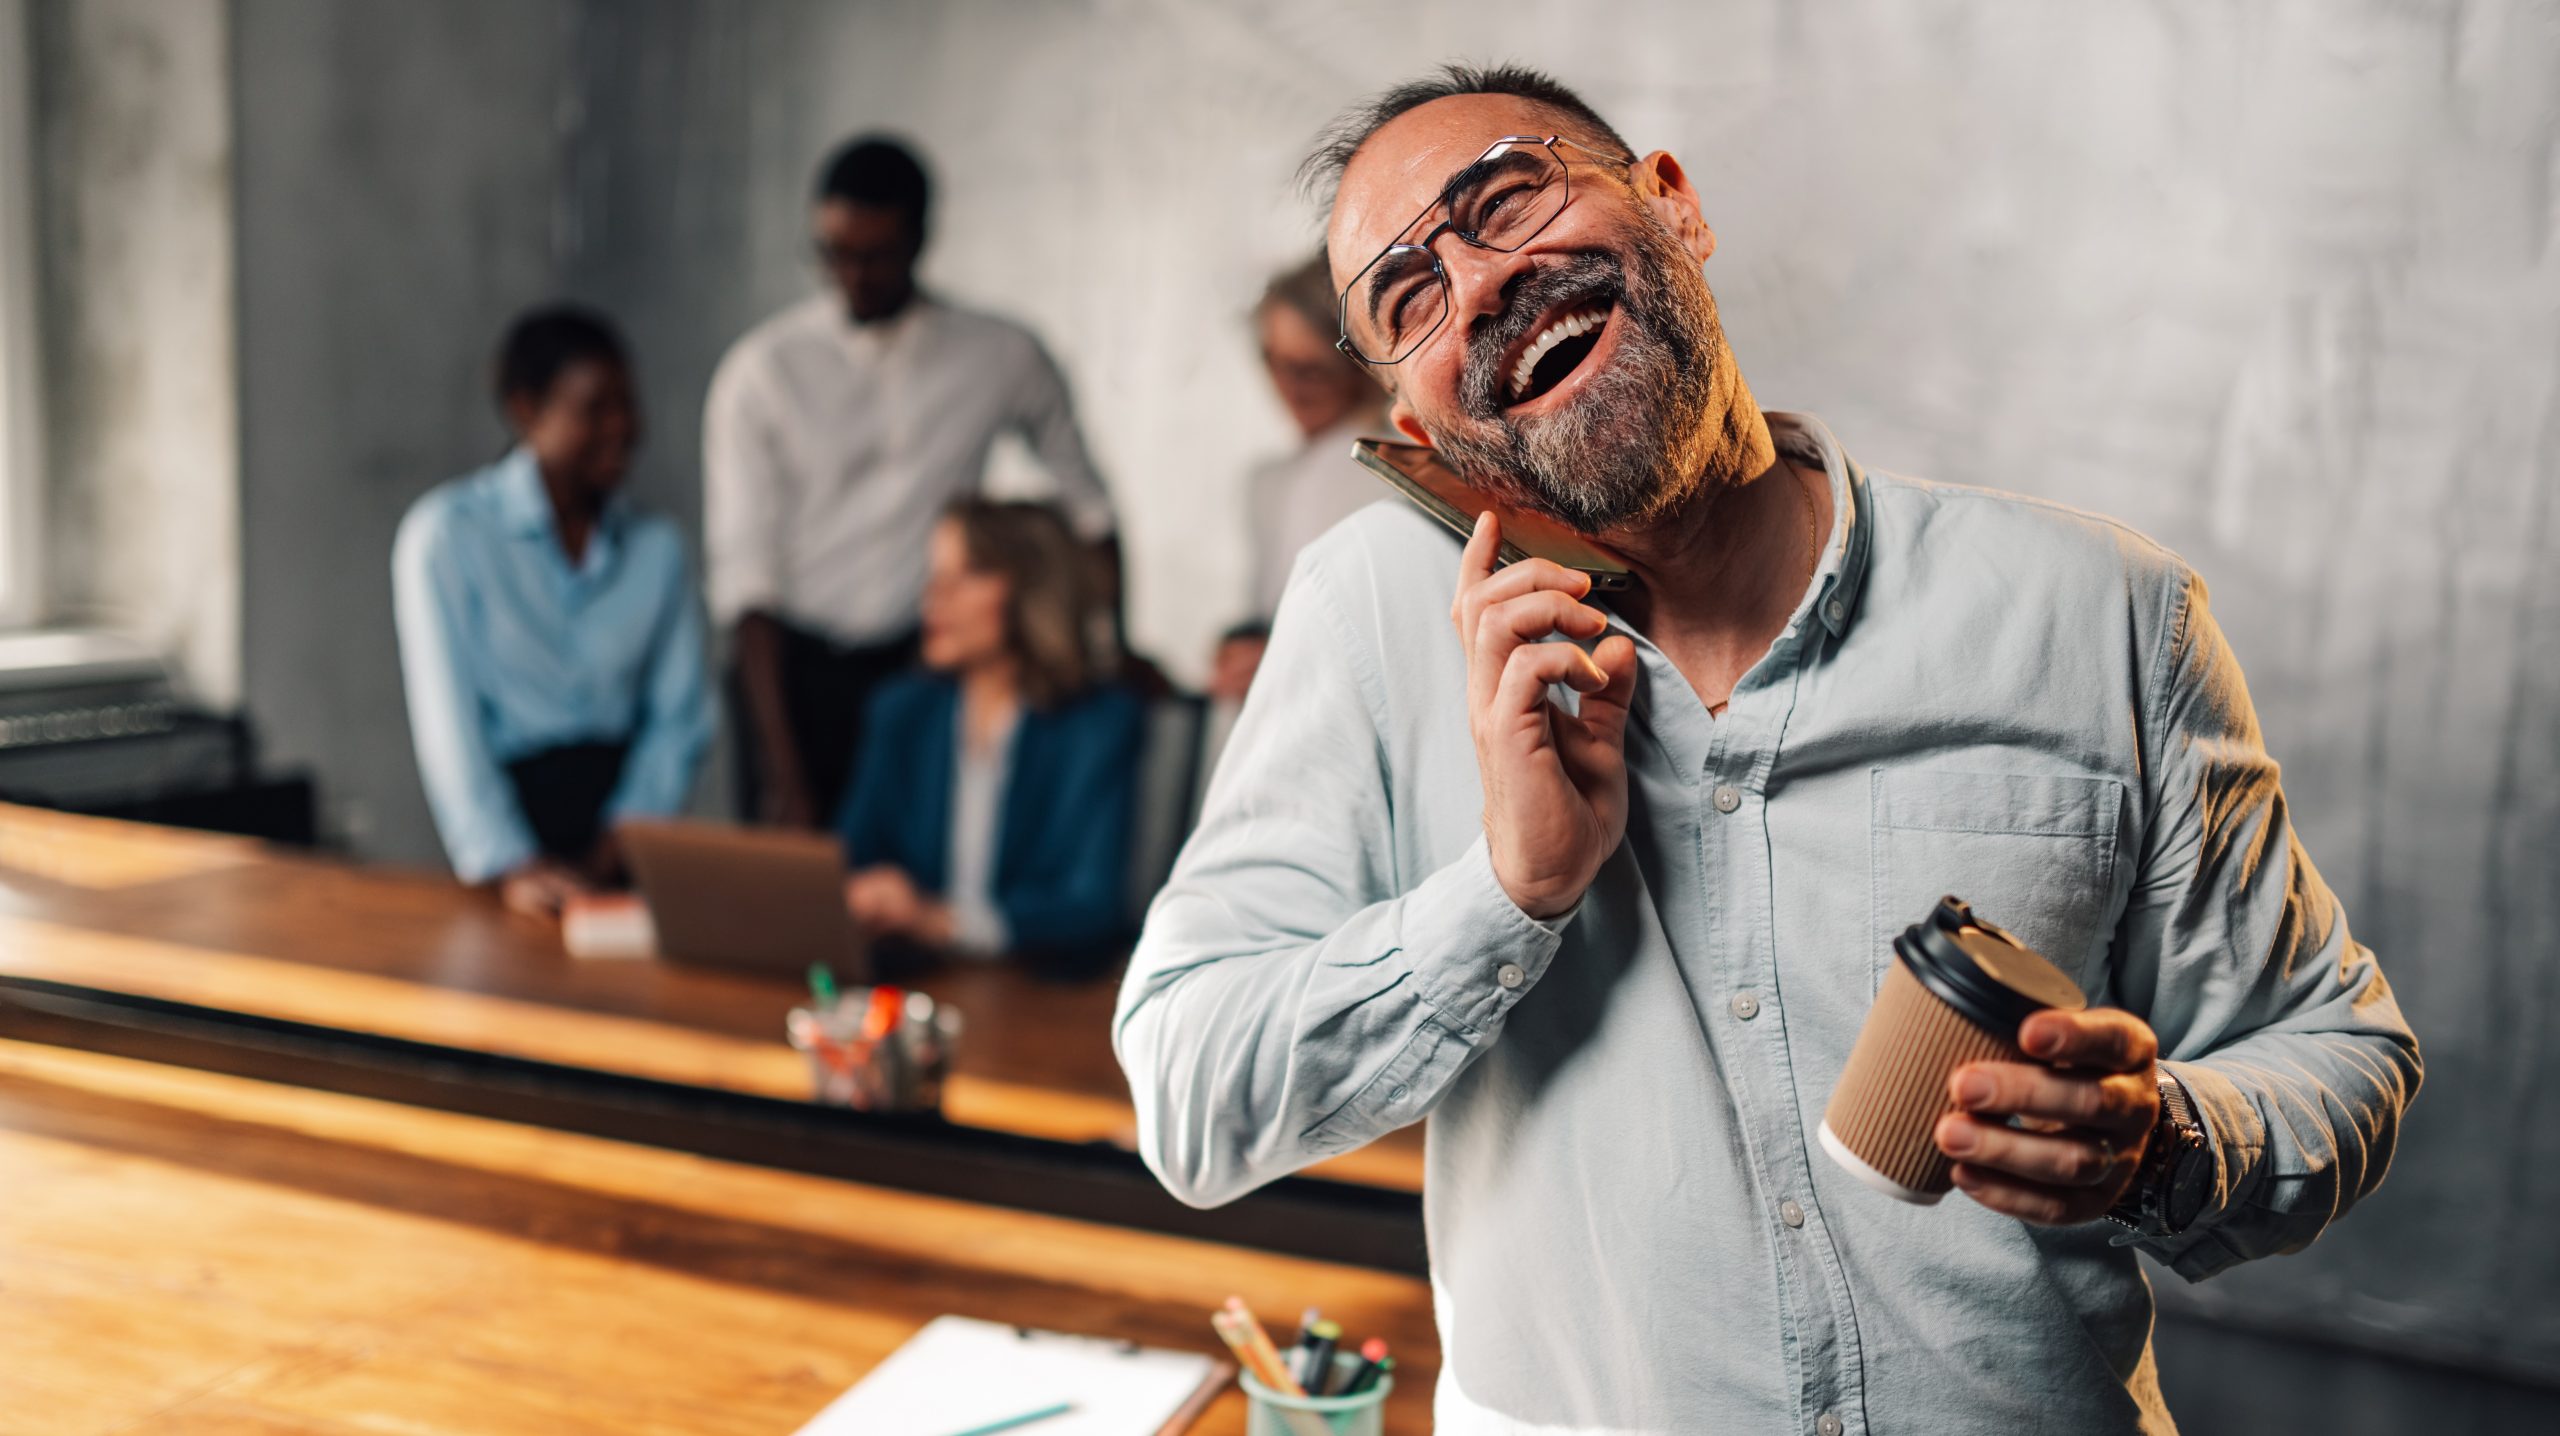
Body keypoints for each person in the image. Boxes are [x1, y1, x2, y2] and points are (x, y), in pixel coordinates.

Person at [1114, 66, 2420, 1434]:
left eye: (1505, 199)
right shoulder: (1372, 613)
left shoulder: (2101, 613)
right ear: (1423, 422)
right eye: (1406, 296)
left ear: (1672, 205)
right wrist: (1503, 896)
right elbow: (1195, 1101)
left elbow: (2339, 1050)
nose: (1479, 285)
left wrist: (2164, 1147)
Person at [705, 135, 1117, 830]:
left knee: (907, 896)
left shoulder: (1000, 354)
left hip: (925, 674)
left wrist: (1109, 647)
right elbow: (747, 584)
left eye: (876, 254)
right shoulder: (763, 371)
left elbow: (1089, 512)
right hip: (789, 677)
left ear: (921, 240)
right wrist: (784, 773)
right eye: (834, 253)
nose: (854, 275)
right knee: (786, 906)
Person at [393, 305, 712, 916]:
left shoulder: (658, 549)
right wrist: (511, 863)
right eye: (595, 409)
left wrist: (622, 841)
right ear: (526, 409)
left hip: (627, 838)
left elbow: (679, 719)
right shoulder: (446, 536)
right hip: (507, 841)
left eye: (628, 405)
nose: (622, 428)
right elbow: (449, 725)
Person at [837, 499, 1143, 978]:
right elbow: (849, 858)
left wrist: (939, 920)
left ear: (1031, 589)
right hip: (920, 985)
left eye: (971, 572)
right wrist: (868, 895)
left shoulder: (1098, 724)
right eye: (935, 573)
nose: (936, 595)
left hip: (1047, 998)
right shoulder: (901, 712)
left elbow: (1091, 906)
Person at [1242, 253, 1393, 621]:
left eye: (1309, 371)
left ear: (1356, 365)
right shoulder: (1274, 479)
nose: (1286, 387)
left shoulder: (1356, 463)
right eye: (1272, 361)